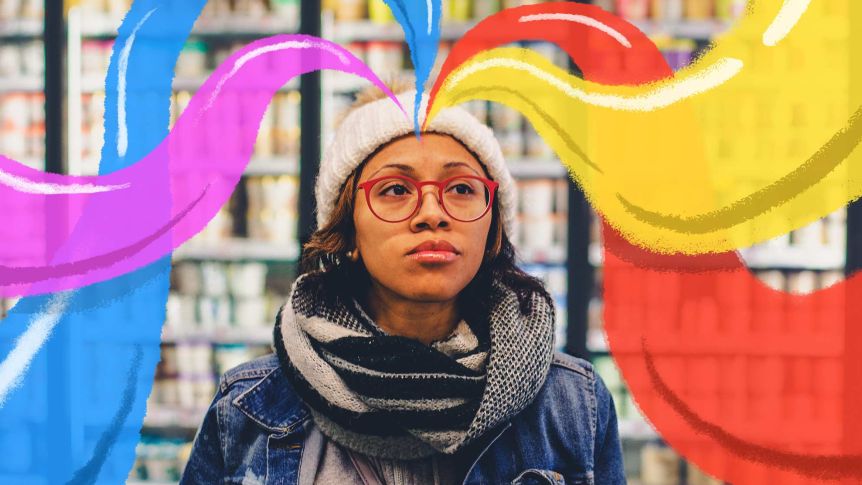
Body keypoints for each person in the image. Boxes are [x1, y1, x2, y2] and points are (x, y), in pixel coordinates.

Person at [180, 80, 625, 485]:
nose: (433, 213)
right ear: (348, 231)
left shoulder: (574, 405)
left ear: (491, 231)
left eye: (461, 189)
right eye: (395, 190)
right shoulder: (249, 408)